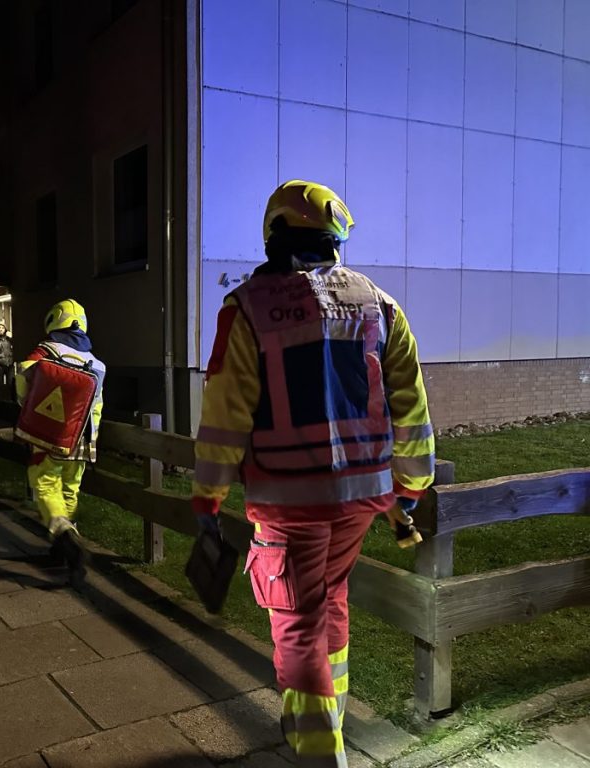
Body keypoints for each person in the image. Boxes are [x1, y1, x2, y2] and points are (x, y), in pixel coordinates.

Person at [191, 180, 435, 767]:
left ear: (274, 234)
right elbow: (412, 406)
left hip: (287, 499)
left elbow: (226, 412)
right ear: (334, 238)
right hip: (363, 496)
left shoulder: (247, 308)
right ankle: (331, 724)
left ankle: (321, 753)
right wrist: (411, 488)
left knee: (297, 622)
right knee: (330, 602)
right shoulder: (379, 302)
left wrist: (208, 497)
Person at [15, 299, 106, 587]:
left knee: (43, 484)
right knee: (69, 488)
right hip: (81, 441)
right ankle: (62, 549)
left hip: (49, 437)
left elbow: (22, 383)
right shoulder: (97, 364)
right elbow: (98, 407)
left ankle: (64, 534)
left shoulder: (45, 351)